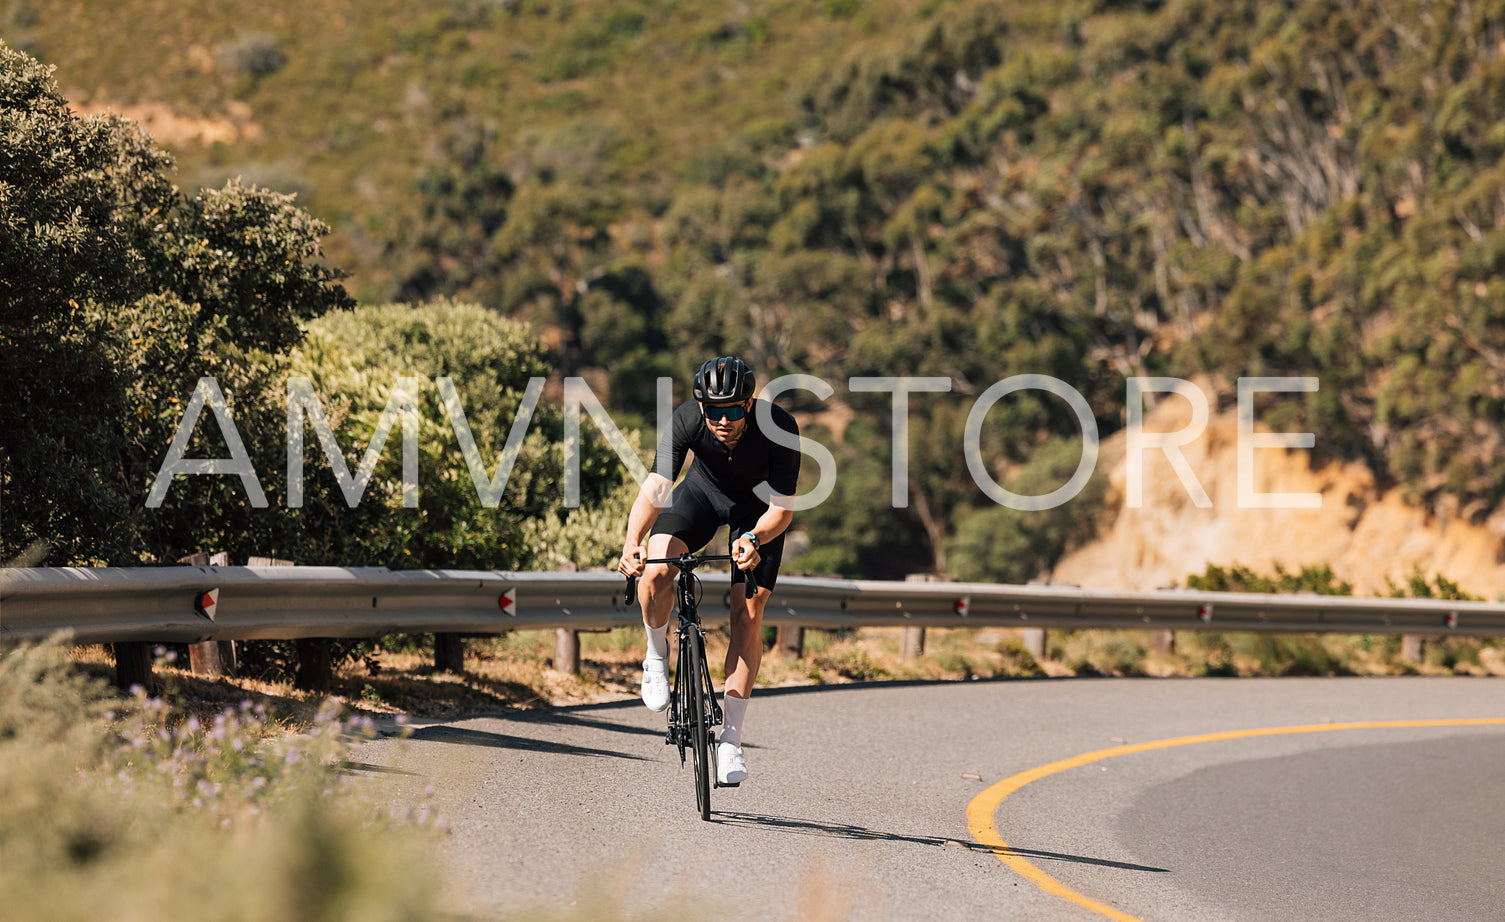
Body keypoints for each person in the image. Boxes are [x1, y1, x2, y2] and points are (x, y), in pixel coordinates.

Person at [617, 356, 800, 785]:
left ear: (749, 404)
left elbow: (782, 509)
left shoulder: (780, 426)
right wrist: (632, 543)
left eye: (733, 411)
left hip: (758, 515)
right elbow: (657, 488)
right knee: (657, 571)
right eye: (713, 411)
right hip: (701, 495)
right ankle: (656, 655)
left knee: (747, 614)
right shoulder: (686, 419)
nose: (722, 420)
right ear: (700, 408)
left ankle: (731, 742)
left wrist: (754, 538)